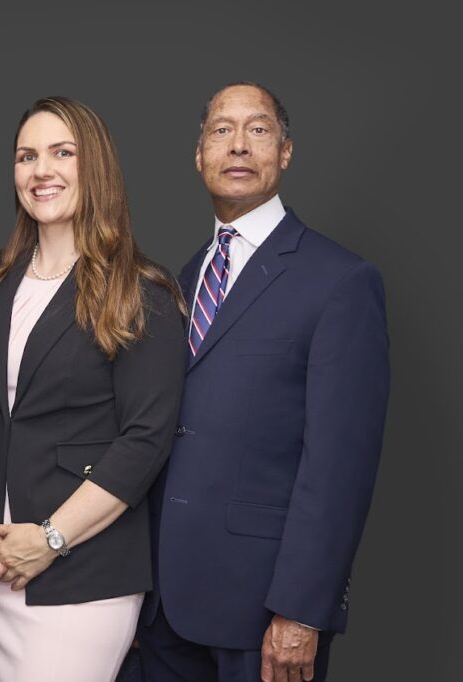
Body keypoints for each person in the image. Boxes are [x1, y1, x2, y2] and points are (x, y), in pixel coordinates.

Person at [138, 82, 390, 682]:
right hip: (165, 607)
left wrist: (302, 609)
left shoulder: (340, 281)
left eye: (258, 129)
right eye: (221, 130)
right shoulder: (187, 276)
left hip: (264, 614)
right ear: (199, 155)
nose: (238, 145)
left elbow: (341, 467)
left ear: (285, 151)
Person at [0, 96, 187, 681]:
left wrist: (51, 539)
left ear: (96, 166)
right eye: (26, 156)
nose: (42, 171)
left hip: (83, 574)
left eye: (63, 153)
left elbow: (144, 442)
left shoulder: (141, 291)